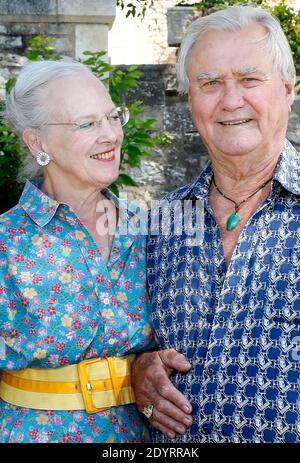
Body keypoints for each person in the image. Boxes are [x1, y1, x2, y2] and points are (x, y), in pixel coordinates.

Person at [132, 5, 300, 443]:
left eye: (249, 79)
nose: (230, 101)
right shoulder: (160, 223)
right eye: (209, 83)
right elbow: (129, 336)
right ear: (190, 100)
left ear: (288, 88)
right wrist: (138, 368)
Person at [0, 60, 154, 443]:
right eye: (86, 124)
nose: (110, 135)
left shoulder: (149, 230)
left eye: (112, 117)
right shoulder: (7, 243)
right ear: (37, 142)